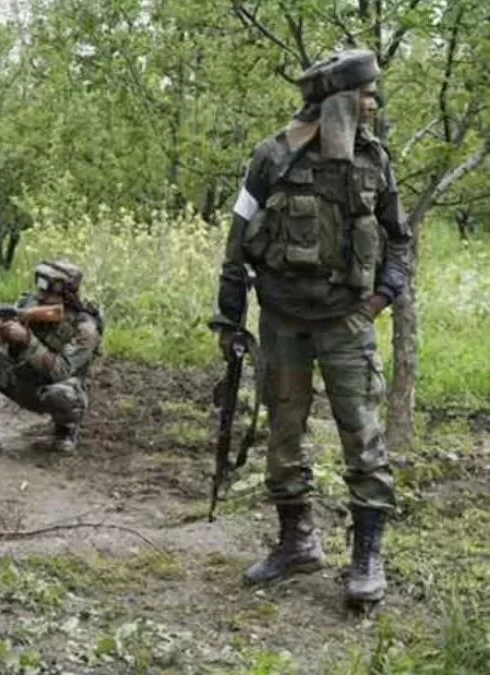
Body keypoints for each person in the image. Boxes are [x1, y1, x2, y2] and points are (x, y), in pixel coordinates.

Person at [212, 49, 411, 605]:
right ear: (339, 101)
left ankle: (366, 558)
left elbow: (399, 240)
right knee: (284, 435)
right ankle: (296, 543)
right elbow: (236, 244)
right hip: (282, 322)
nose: (374, 105)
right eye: (366, 95)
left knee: (362, 438)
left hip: (347, 321)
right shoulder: (271, 157)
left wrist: (379, 299)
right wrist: (229, 320)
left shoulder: (376, 161)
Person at [0, 259, 103, 459]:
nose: (41, 293)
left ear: (65, 292)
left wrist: (27, 340)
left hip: (57, 390)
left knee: (62, 394)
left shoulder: (84, 327)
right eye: (40, 286)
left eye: (48, 288)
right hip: (23, 382)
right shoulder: (28, 306)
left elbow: (62, 370)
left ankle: (65, 431)